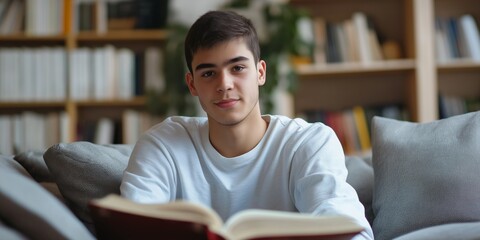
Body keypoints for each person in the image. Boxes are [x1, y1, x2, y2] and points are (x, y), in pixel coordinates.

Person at [120, 10, 374, 239]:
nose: (225, 84)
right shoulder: (162, 145)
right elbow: (131, 229)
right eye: (208, 73)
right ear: (192, 84)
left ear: (261, 72)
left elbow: (351, 231)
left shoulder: (308, 142)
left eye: (238, 68)